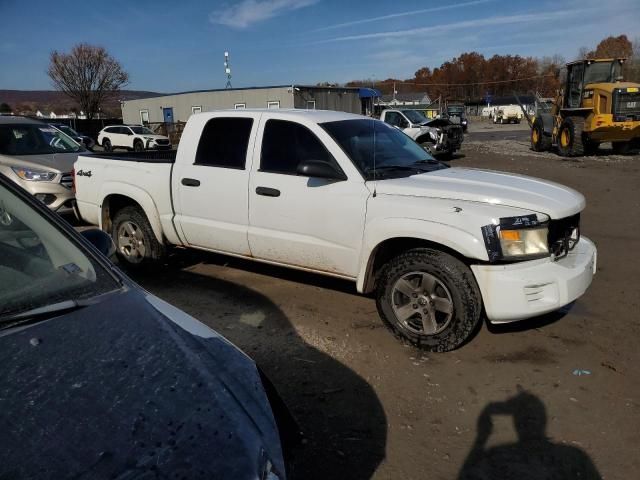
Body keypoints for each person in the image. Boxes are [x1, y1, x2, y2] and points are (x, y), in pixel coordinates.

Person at [458, 388, 602, 480]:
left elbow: (467, 476)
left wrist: (482, 437)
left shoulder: (499, 457)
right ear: (544, 420)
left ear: (516, 423)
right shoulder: (574, 457)